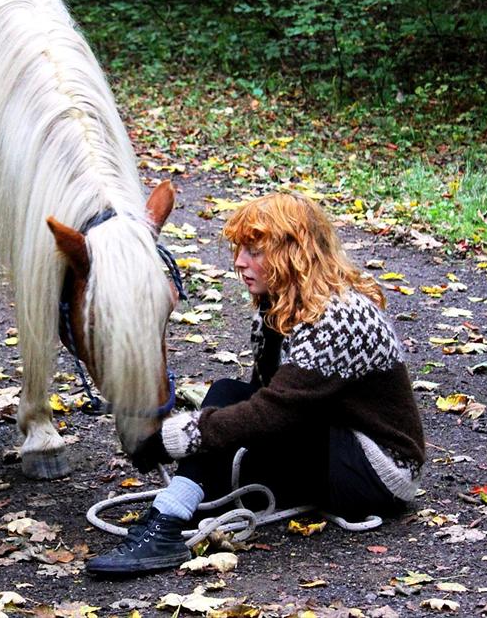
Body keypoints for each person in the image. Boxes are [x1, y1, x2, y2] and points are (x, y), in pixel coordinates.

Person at [85, 192, 426, 577]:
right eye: (239, 249)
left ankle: (168, 522)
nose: (239, 262)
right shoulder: (278, 304)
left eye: (254, 251)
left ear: (293, 253)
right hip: (329, 442)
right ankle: (178, 504)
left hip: (376, 470)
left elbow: (275, 411)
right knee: (228, 397)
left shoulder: (338, 315)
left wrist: (174, 438)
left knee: (230, 407)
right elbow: (265, 398)